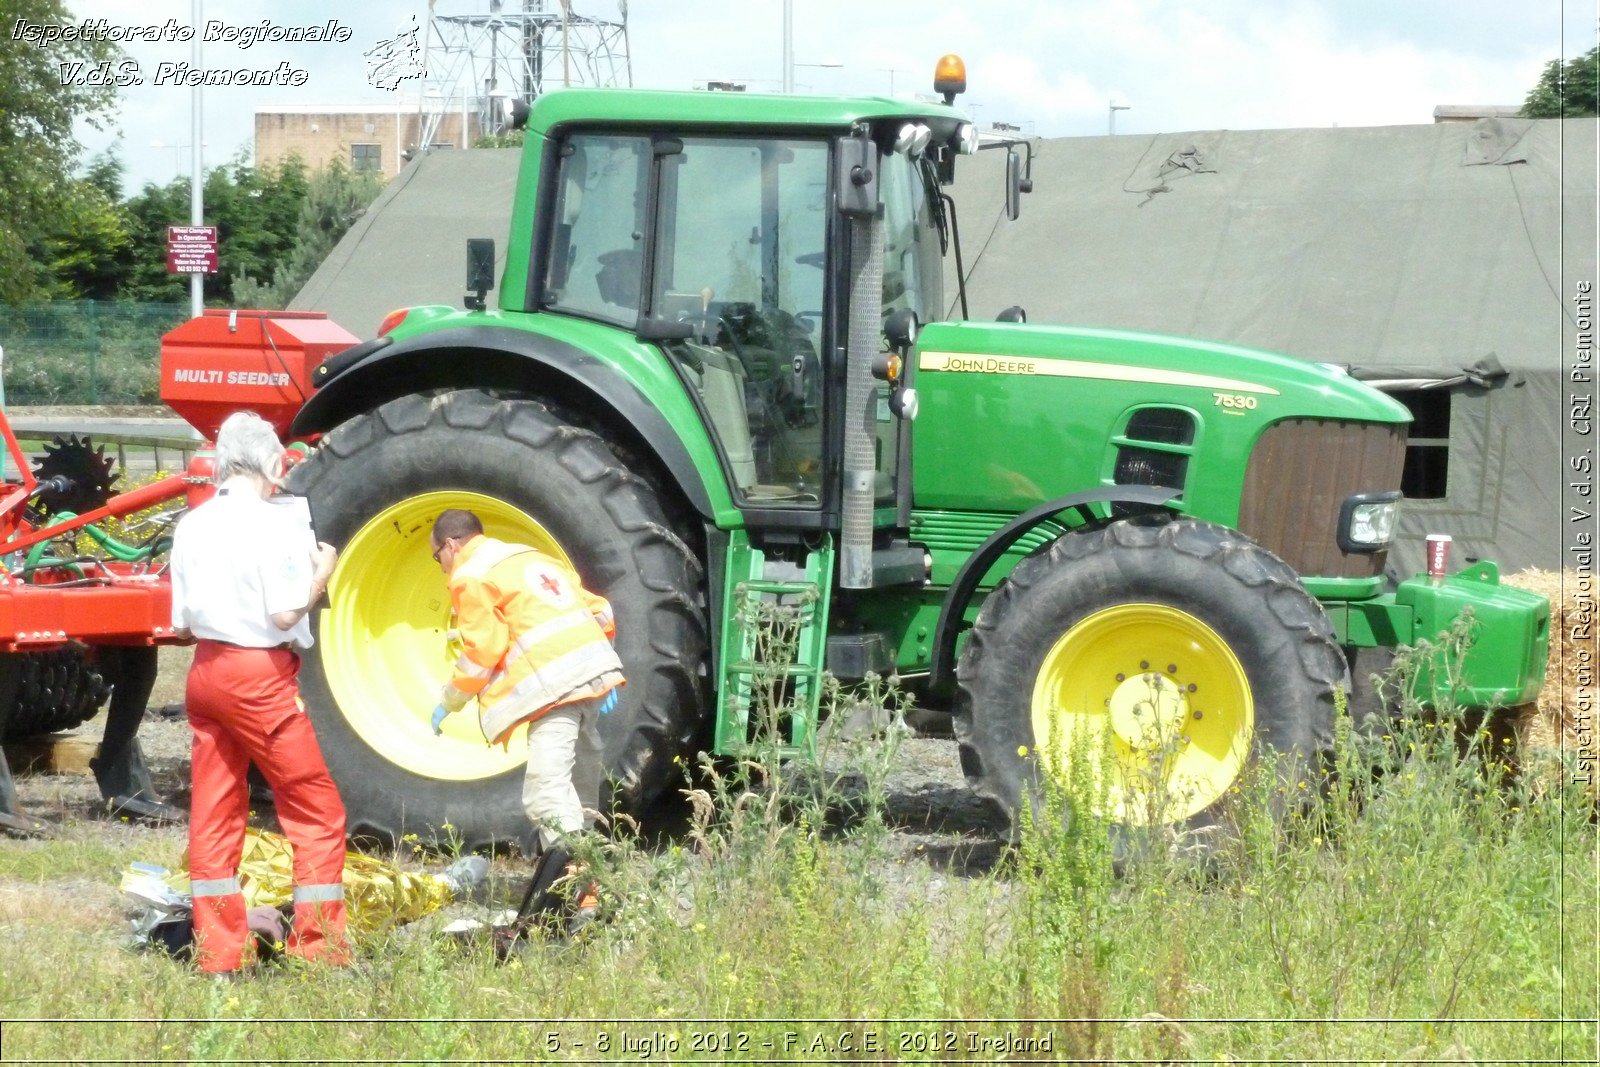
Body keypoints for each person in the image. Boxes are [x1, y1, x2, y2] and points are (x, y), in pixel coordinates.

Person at [168, 411, 351, 974]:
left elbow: (177, 626)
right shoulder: (277, 525)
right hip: (259, 677)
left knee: (215, 814)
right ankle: (320, 953)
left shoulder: (192, 524)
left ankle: (219, 954)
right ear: (274, 463)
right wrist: (322, 569)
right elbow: (285, 610)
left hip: (205, 671)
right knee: (317, 811)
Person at [429, 508, 624, 923]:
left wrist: (449, 700)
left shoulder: (470, 575)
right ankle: (596, 884)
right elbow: (601, 611)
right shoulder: (531, 557)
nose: (442, 568)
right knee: (582, 797)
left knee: (547, 795)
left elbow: (483, 651)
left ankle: (584, 894)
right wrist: (595, 666)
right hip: (591, 683)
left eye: (437, 558)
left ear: (450, 545)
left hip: (555, 692)